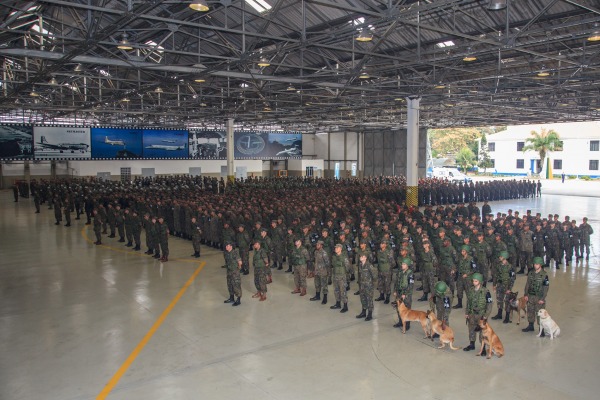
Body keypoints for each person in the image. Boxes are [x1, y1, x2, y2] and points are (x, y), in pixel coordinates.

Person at [463, 272, 493, 352]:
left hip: (481, 314)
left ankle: (483, 348)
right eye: (473, 281)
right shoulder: (471, 290)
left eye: (476, 281)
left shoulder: (486, 291)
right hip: (472, 314)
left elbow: (489, 304)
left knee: (482, 332)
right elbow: (468, 302)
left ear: (480, 281)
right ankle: (472, 344)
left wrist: (486, 315)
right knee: (471, 328)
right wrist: (467, 313)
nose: (474, 282)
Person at [522, 257, 549, 333]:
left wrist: (542, 299)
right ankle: (531, 326)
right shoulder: (531, 273)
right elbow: (527, 284)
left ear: (540, 265)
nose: (535, 265)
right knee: (530, 311)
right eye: (534, 264)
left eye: (537, 264)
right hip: (530, 296)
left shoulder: (544, 275)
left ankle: (541, 330)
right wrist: (526, 294)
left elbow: (546, 288)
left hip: (539, 297)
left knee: (539, 313)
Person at [491, 251, 516, 324]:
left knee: (507, 301)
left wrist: (509, 288)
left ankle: (507, 317)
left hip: (506, 286)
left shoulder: (510, 267)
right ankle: (499, 314)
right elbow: (495, 276)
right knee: (499, 299)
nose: (499, 258)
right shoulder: (498, 265)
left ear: (505, 257)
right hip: (499, 285)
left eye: (501, 257)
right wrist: (494, 285)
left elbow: (512, 278)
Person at [393, 257, 415, 330]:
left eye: (404, 264)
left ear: (407, 265)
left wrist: (405, 294)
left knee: (407, 309)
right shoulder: (400, 272)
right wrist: (395, 290)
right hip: (399, 293)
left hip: (406, 295)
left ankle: (407, 325)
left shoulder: (410, 274)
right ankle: (400, 321)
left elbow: (411, 285)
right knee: (399, 308)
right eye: (402, 264)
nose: (402, 265)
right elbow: (396, 282)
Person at [330, 243, 350, 313]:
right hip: (335, 275)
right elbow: (333, 265)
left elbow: (348, 267)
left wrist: (345, 275)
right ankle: (338, 303)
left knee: (343, 291)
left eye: (337, 248)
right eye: (335, 248)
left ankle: (345, 306)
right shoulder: (334, 257)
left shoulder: (344, 257)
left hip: (342, 276)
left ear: (341, 249)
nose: (336, 249)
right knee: (336, 290)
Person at [356, 253, 375, 321]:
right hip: (362, 285)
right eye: (360, 256)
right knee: (363, 298)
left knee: (369, 299)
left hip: (368, 286)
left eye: (362, 256)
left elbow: (374, 275)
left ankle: (370, 314)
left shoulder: (369, 265)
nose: (360, 257)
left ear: (365, 258)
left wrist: (370, 283)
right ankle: (363, 312)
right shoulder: (360, 265)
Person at [223, 242, 242, 306]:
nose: (226, 247)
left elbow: (240, 262)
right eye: (226, 246)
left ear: (231, 246)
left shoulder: (235, 252)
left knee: (236, 285)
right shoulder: (227, 253)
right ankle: (231, 298)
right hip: (229, 271)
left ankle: (238, 299)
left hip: (234, 271)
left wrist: (238, 268)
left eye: (227, 246)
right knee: (229, 284)